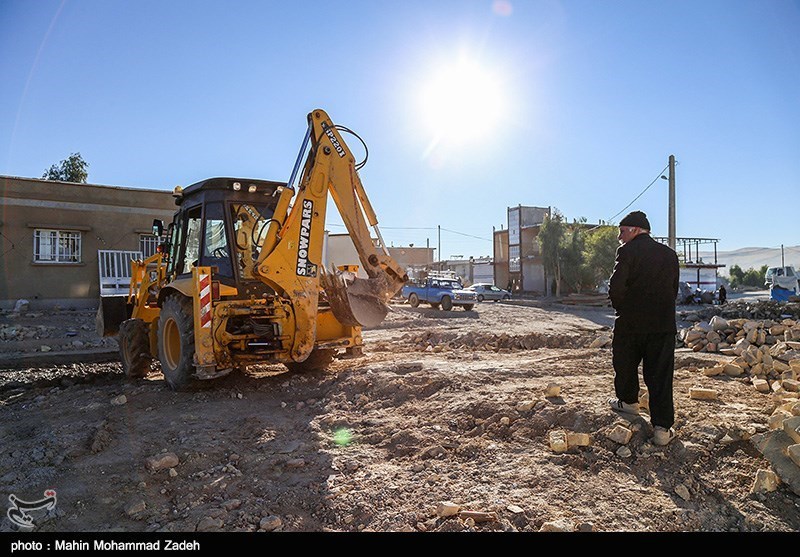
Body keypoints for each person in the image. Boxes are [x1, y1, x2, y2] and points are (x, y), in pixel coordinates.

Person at [607, 211, 680, 446]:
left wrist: (623, 309)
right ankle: (662, 429)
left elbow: (616, 287)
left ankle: (628, 404)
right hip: (662, 325)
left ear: (637, 230)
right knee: (660, 376)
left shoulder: (627, 251)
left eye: (623, 231)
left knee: (625, 364)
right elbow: (673, 290)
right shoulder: (670, 255)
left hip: (631, 324)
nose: (620, 236)